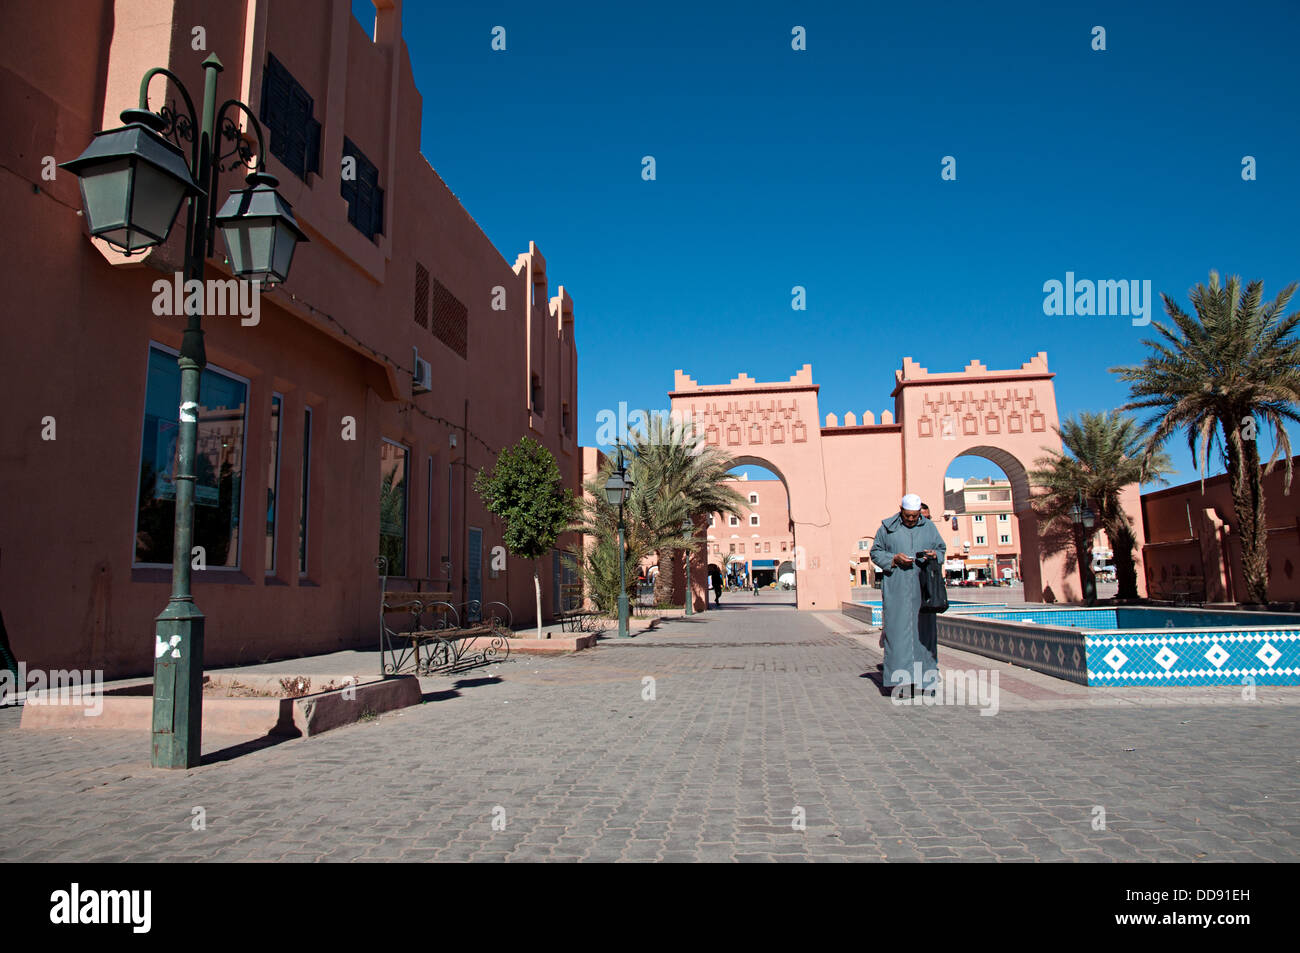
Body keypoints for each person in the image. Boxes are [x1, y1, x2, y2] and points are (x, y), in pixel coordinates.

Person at [870, 493, 947, 699]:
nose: (911, 519)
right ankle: (900, 685)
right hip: (897, 590)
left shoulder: (929, 527)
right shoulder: (887, 528)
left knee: (925, 636)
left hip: (924, 591)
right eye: (908, 516)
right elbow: (875, 552)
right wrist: (893, 558)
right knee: (897, 637)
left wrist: (933, 555)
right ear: (901, 510)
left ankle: (927, 682)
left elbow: (941, 549)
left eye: (915, 516)